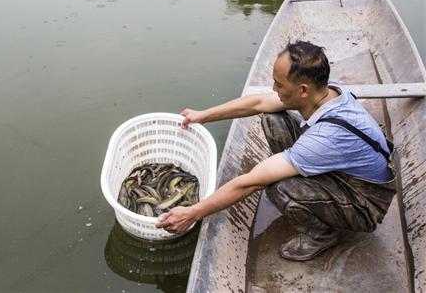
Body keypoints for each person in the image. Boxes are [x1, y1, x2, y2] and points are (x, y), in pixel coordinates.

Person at [155, 40, 396, 261]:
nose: (273, 88)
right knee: (273, 117)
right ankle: (296, 175)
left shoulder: (326, 139)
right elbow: (259, 102)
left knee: (279, 187)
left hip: (365, 203)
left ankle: (322, 235)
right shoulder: (327, 91)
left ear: (303, 90)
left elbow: (249, 183)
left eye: (279, 84)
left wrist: (192, 213)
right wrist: (203, 115)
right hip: (342, 171)